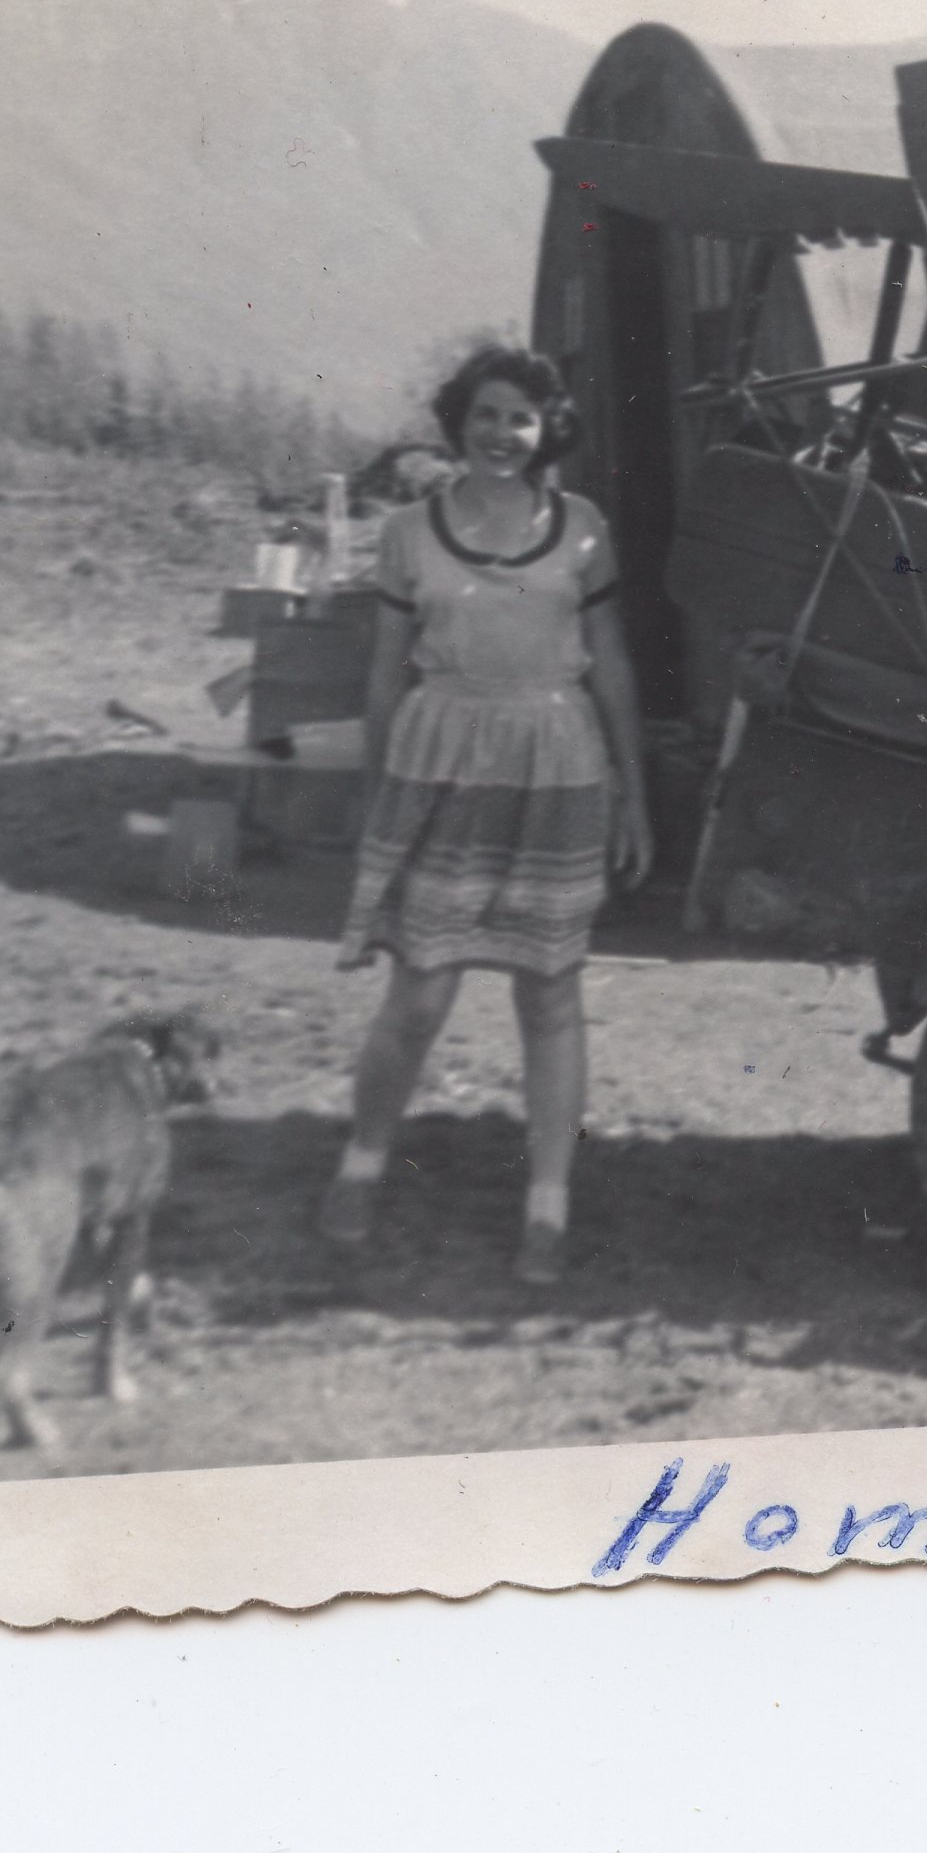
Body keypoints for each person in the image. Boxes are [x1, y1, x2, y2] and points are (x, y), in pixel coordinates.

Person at [326, 345, 652, 1285]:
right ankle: (362, 1162)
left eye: (521, 417)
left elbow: (611, 662)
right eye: (487, 414)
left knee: (549, 993)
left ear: (548, 428)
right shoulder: (409, 533)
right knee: (421, 990)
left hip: (556, 767)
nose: (503, 433)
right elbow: (385, 670)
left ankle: (547, 1204)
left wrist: (631, 791)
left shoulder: (582, 529)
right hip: (441, 762)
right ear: (459, 423)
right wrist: (376, 792)